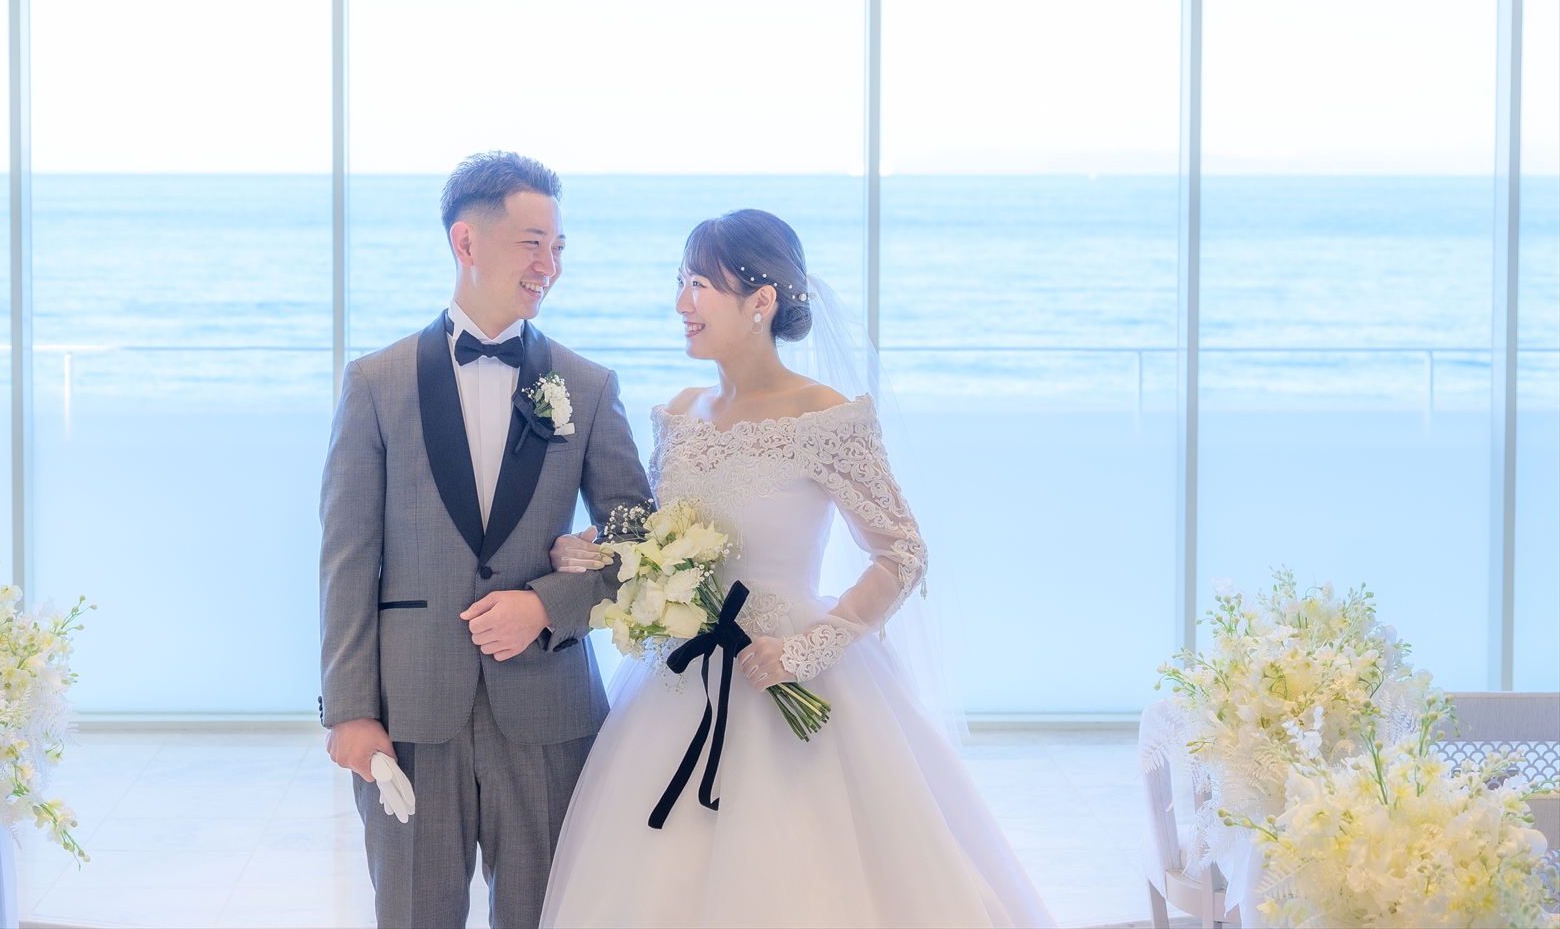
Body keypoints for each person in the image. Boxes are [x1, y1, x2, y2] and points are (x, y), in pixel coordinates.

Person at [538, 209, 1053, 929]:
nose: (682, 303)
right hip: (681, 681)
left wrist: (811, 648)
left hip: (793, 672)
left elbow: (902, 551)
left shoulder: (825, 418)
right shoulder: (681, 413)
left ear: (762, 301)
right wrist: (591, 546)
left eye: (699, 285)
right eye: (680, 282)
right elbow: (658, 533)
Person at [318, 152, 650, 929]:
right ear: (466, 243)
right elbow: (346, 559)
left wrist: (547, 606)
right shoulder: (375, 384)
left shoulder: (589, 387)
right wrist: (350, 711)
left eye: (558, 247)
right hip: (409, 713)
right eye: (533, 243)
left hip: (550, 713)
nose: (549, 265)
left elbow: (641, 547)